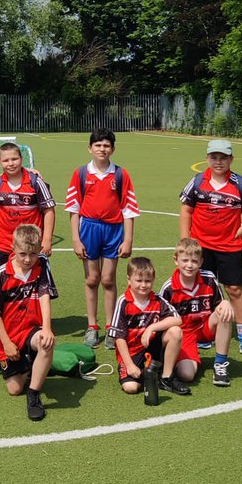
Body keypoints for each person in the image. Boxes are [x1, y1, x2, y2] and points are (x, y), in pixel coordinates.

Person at [179, 138, 242, 356]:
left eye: (223, 158)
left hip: (229, 246)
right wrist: (186, 241)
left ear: (231, 159)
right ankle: (204, 332)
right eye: (214, 157)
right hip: (201, 248)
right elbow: (186, 209)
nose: (218, 162)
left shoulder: (240, 184)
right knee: (203, 289)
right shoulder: (198, 181)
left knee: (234, 289)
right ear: (207, 158)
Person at [65, 128, 139, 350]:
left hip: (113, 230)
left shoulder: (120, 174)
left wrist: (128, 240)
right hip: (88, 229)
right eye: (97, 145)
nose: (102, 149)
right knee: (91, 279)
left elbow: (129, 209)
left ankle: (110, 327)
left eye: (106, 145)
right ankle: (92, 327)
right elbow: (73, 208)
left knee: (108, 279)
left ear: (113, 149)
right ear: (90, 148)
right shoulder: (80, 174)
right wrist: (76, 239)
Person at [0, 222, 57, 421]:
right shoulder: (2, 273)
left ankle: (34, 395)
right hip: (8, 335)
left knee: (46, 342)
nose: (28, 259)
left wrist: (47, 328)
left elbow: (44, 297)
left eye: (33, 254)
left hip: (30, 330)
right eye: (23, 254)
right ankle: (33, 364)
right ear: (13, 249)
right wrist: (7, 343)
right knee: (14, 389)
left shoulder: (41, 266)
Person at [159, 238, 234, 388]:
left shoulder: (209, 278)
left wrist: (225, 303)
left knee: (224, 311)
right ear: (176, 260)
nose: (189, 265)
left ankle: (220, 364)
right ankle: (175, 358)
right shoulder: (168, 288)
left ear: (200, 262)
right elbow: (161, 322)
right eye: (185, 260)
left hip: (205, 328)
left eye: (194, 261)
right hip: (184, 334)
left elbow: (219, 305)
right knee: (187, 375)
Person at [110, 257, 188, 397]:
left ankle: (166, 377)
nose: (144, 285)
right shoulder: (123, 302)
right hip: (132, 352)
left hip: (152, 346)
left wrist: (151, 328)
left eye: (148, 281)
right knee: (131, 387)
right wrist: (129, 365)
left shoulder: (157, 299)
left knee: (175, 332)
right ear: (129, 280)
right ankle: (147, 373)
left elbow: (177, 319)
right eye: (139, 281)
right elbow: (118, 337)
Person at [0, 141, 56, 271]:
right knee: (5, 286)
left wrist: (47, 240)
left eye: (14, 159)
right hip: (4, 246)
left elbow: (49, 211)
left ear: (22, 159)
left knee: (33, 286)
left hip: (32, 246)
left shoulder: (36, 182)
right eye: (6, 160)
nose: (11, 163)